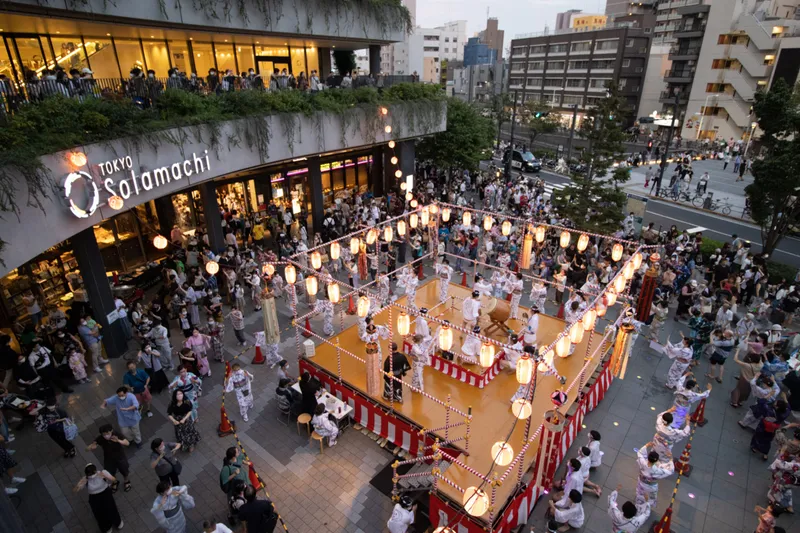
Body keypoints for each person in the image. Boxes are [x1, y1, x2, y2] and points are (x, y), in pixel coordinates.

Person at [74, 463, 124, 532]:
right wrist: (81, 483)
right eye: (89, 474)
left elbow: (114, 480)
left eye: (92, 473)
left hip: (105, 493)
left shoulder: (102, 473)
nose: (91, 476)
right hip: (94, 498)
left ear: (95, 471)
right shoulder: (86, 479)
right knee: (99, 514)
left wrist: (105, 476)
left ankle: (117, 522)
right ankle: (106, 527)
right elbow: (75, 490)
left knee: (111, 508)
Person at [86, 423, 132, 492]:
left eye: (107, 433)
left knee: (124, 470)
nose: (106, 436)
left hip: (120, 457)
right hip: (108, 459)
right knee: (110, 472)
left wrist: (118, 441)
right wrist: (91, 446)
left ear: (111, 431)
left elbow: (127, 443)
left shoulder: (116, 434)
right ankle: (115, 482)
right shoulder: (100, 438)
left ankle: (126, 481)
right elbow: (87, 449)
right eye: (103, 434)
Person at [635, 444, 673, 509]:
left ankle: (639, 503)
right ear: (656, 460)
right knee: (651, 496)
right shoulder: (657, 470)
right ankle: (648, 506)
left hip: (641, 482)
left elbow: (640, 453)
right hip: (651, 486)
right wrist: (670, 458)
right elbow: (670, 470)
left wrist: (647, 445)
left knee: (640, 493)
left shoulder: (642, 462)